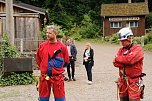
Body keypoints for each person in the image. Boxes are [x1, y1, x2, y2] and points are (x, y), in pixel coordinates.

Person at [36, 25, 69, 101]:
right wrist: (45, 67)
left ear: (55, 34)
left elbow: (66, 61)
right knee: (43, 99)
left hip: (58, 78)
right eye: (46, 33)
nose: (47, 34)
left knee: (60, 99)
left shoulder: (62, 47)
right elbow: (38, 60)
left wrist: (56, 70)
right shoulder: (42, 46)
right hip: (44, 77)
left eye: (49, 33)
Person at [113, 27, 145, 101]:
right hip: (123, 81)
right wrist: (125, 62)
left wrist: (119, 60)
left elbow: (130, 60)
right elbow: (115, 63)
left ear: (129, 38)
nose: (121, 42)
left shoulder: (138, 49)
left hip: (133, 82)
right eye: (121, 41)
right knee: (123, 99)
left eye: (123, 41)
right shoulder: (121, 50)